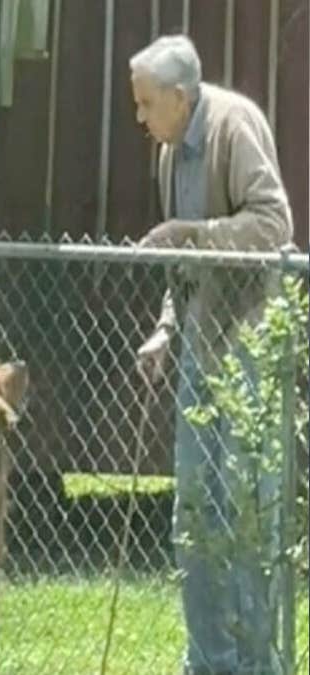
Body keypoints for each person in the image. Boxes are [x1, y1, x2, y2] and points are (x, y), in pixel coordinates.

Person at [131, 34, 293, 675]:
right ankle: (208, 664)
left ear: (181, 95)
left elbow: (275, 224)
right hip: (199, 347)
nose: (140, 117)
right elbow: (187, 268)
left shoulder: (235, 126)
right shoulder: (169, 154)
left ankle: (258, 666)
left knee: (247, 514)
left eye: (146, 104)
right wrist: (166, 329)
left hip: (248, 348)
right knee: (194, 513)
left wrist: (191, 233)